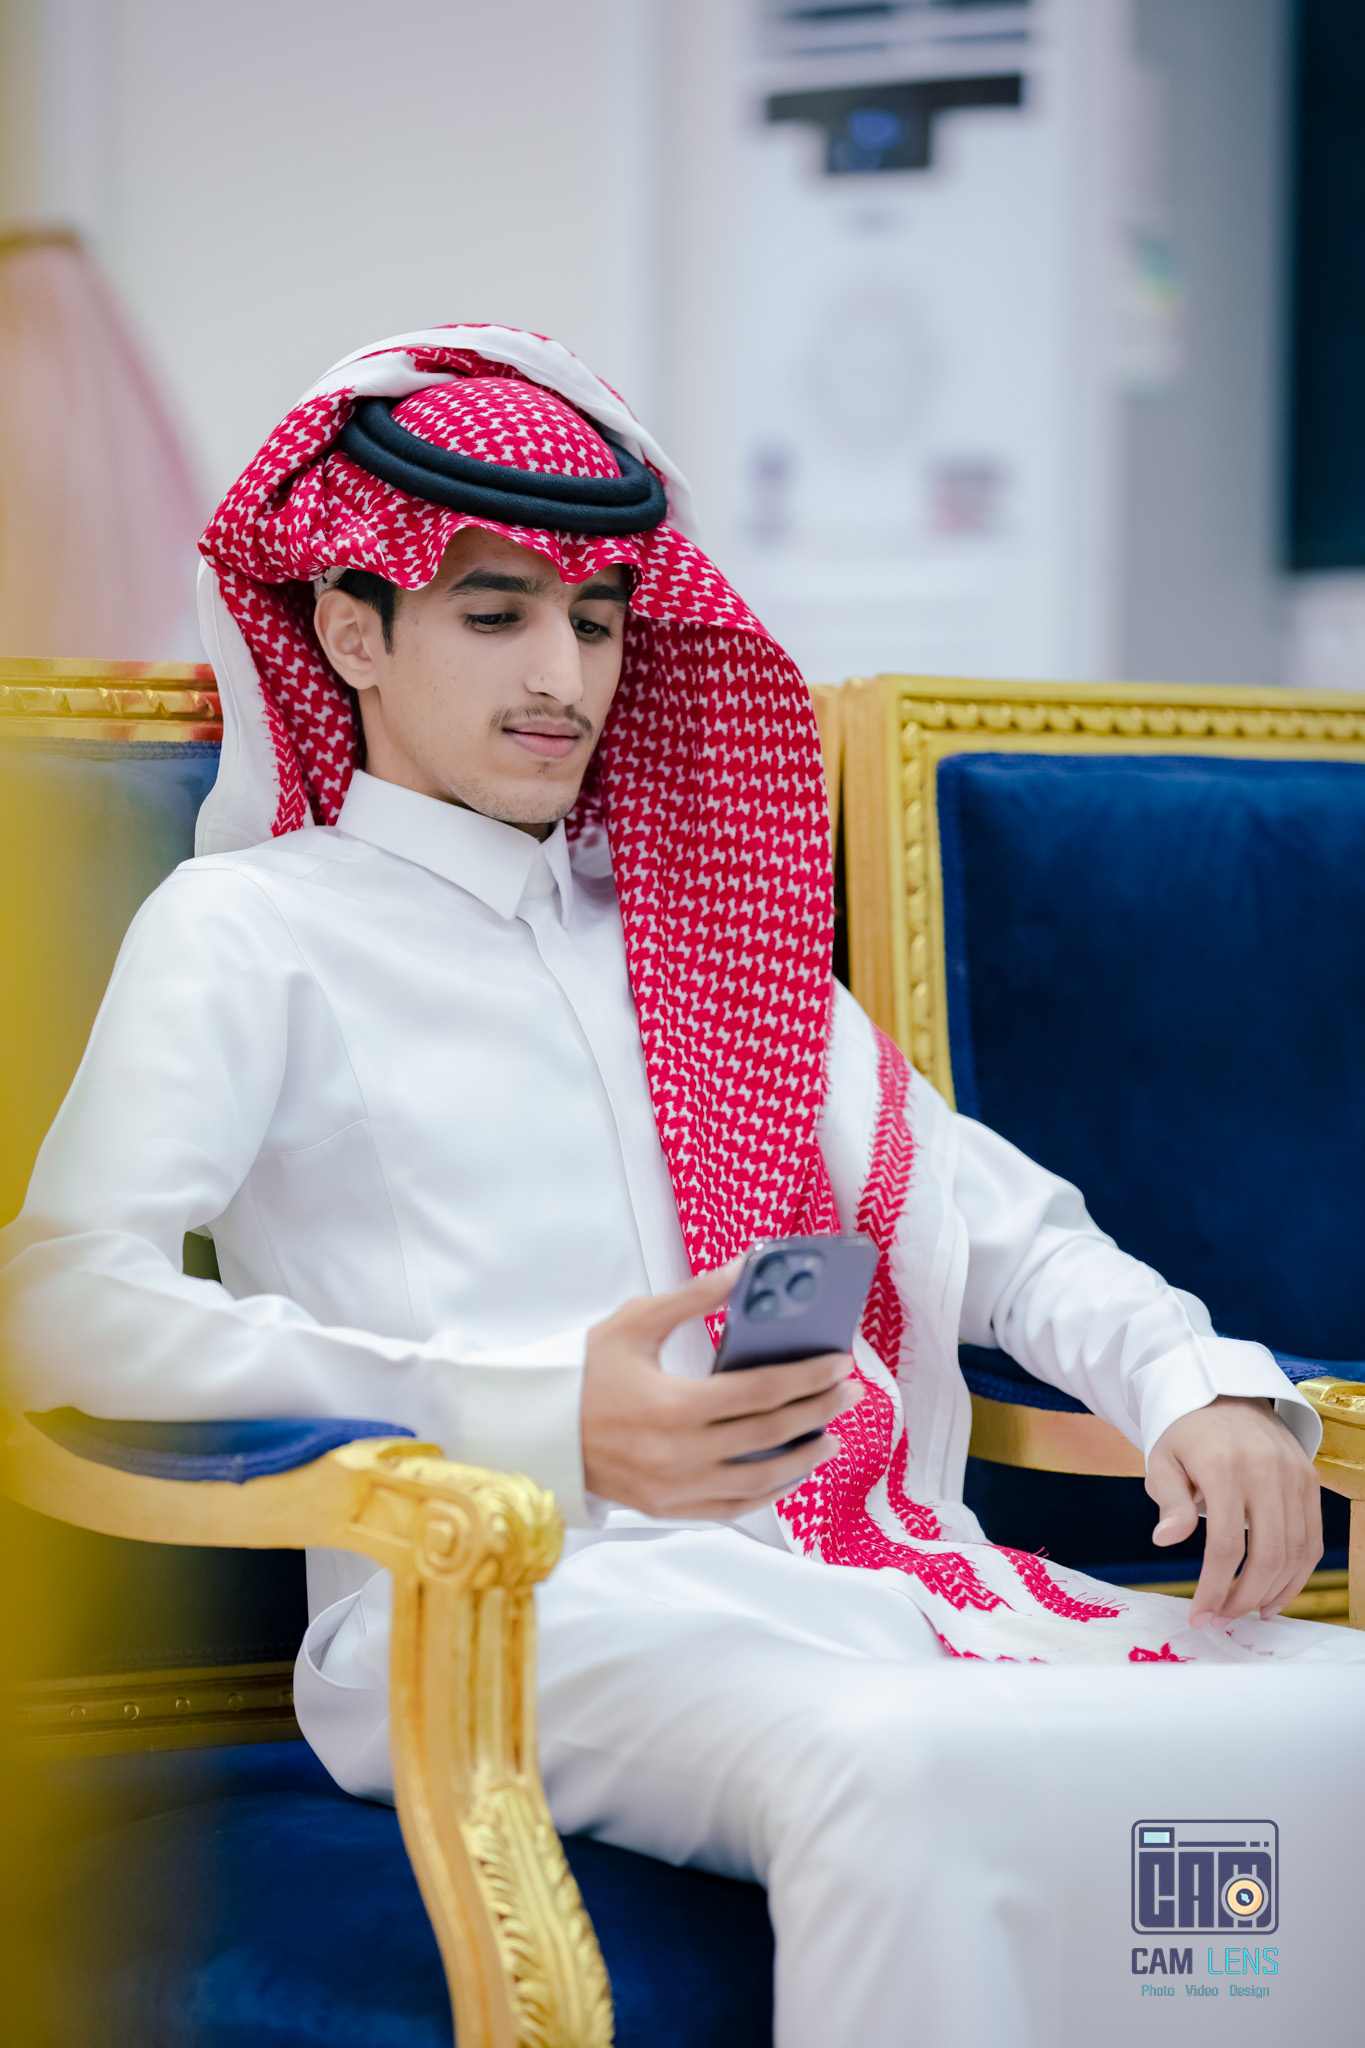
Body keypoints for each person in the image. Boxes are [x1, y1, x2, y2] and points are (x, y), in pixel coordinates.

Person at [3, 326, 1360, 2047]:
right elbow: (61, 1304)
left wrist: (1194, 1384)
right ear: (350, 631)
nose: (561, 674)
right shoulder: (252, 928)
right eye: (494, 613)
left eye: (594, 620)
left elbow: (1002, 1229)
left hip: (842, 1569)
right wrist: (536, 1416)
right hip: (498, 1607)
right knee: (899, 1767)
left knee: (1334, 1722)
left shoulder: (702, 927)